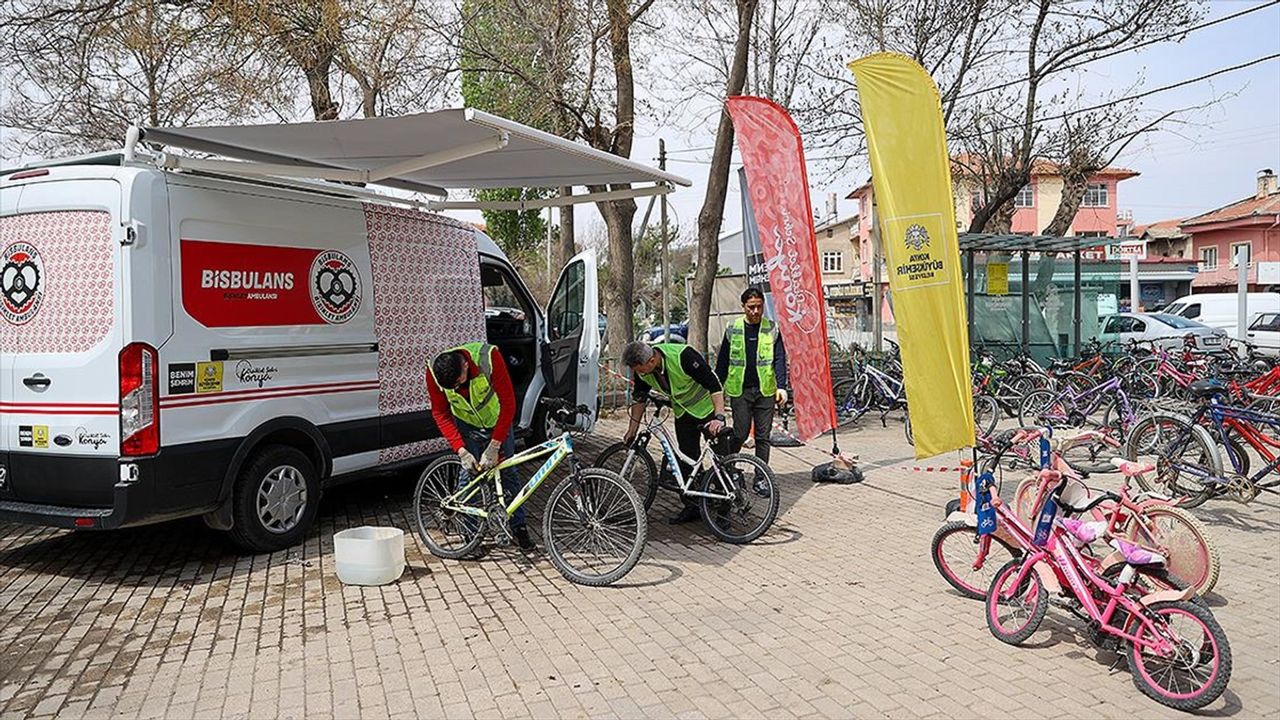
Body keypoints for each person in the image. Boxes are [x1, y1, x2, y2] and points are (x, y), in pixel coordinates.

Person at [426, 342, 534, 551]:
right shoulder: (434, 372)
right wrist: (461, 450)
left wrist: (495, 445)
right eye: (451, 388)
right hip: (467, 426)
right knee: (469, 477)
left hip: (497, 421)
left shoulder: (489, 358)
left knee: (508, 473)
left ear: (465, 365)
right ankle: (470, 535)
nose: (455, 389)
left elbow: (509, 404)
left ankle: (519, 527)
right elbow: (440, 413)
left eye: (458, 383)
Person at [621, 340, 727, 524]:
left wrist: (719, 417)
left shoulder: (683, 356)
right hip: (683, 413)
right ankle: (693, 507)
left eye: (640, 369)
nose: (639, 373)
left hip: (706, 409)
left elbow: (714, 384)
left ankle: (724, 512)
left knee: (721, 459)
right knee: (686, 459)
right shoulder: (643, 371)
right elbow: (639, 398)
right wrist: (632, 429)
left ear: (652, 361)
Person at [715, 288, 789, 467]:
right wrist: (716, 388)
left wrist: (781, 386)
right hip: (740, 391)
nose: (755, 311)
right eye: (751, 307)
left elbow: (779, 358)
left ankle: (761, 476)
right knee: (740, 433)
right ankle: (726, 467)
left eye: (759, 307)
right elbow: (723, 361)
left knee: (763, 437)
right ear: (743, 306)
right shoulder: (733, 328)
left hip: (766, 391)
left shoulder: (772, 329)